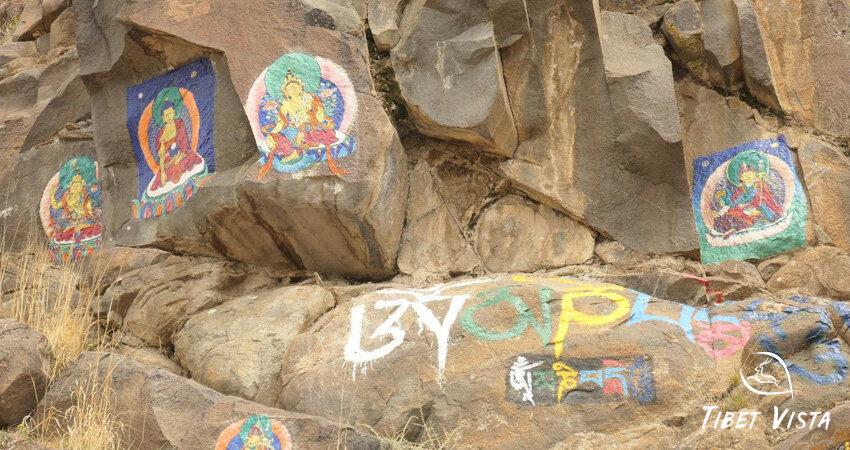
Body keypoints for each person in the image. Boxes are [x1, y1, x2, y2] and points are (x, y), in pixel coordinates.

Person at [258, 69, 346, 179]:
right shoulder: (286, 104)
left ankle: (297, 151)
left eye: (295, 87)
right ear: (285, 92)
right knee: (284, 135)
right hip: (295, 130)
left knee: (317, 134)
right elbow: (281, 123)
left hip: (312, 128)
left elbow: (319, 116)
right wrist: (272, 134)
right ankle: (293, 151)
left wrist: (306, 126)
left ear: (301, 87)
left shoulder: (309, 99)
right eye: (289, 88)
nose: (293, 90)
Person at [712, 152, 783, 236]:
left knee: (761, 210)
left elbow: (769, 199)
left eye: (750, 173)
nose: (747, 176)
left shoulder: (759, 185)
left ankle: (738, 227)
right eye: (744, 174)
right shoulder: (740, 189)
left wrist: (777, 210)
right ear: (740, 177)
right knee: (730, 214)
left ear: (755, 174)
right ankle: (727, 229)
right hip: (742, 210)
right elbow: (735, 201)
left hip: (757, 210)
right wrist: (728, 206)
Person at [152, 99, 202, 190]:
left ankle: (178, 170)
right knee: (162, 176)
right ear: (163, 117)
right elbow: (161, 156)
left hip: (182, 154)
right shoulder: (160, 134)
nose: (169, 117)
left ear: (174, 112)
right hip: (168, 161)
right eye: (166, 115)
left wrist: (178, 159)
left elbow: (185, 144)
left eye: (170, 113)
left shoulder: (179, 123)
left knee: (190, 156)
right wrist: (163, 171)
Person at [50, 159, 101, 243]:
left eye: (79, 185)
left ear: (83, 185)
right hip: (71, 223)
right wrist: (52, 195)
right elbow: (56, 206)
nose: (76, 187)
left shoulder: (85, 197)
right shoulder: (66, 198)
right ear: (70, 185)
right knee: (66, 234)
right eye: (75, 185)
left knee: (91, 231)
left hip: (85, 221)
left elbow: (90, 212)